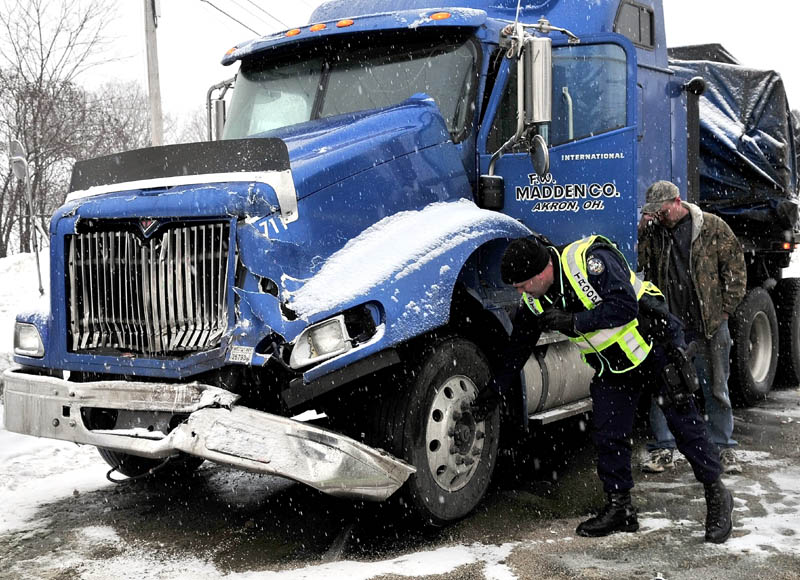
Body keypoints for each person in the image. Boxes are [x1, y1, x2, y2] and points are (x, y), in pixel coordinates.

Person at [474, 234, 733, 543]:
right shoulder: (535, 299)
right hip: (614, 367)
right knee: (609, 434)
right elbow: (518, 347)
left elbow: (624, 306)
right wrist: (495, 389)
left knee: (685, 427)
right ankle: (620, 509)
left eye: (522, 283)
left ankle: (717, 495)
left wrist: (573, 321)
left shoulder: (588, 263)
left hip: (654, 347)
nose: (520, 292)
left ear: (542, 271)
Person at [638, 181, 746, 475]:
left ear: (677, 201)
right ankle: (664, 448)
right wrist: (644, 229)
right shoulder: (656, 231)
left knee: (716, 387)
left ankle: (722, 447)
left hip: (708, 325)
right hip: (670, 326)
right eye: (655, 214)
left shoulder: (711, 227)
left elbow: (735, 268)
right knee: (665, 388)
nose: (661, 217)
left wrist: (725, 310)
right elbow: (642, 264)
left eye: (663, 212)